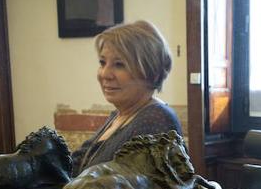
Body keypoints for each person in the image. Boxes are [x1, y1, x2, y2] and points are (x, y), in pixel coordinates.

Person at [71, 20, 183, 176]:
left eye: (119, 65)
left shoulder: (155, 119)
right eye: (102, 63)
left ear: (150, 71)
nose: (105, 74)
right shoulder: (120, 115)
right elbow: (78, 163)